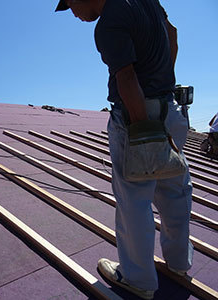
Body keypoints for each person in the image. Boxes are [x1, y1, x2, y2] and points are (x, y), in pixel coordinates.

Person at [55, 0, 193, 299]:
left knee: (134, 201)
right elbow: (171, 33)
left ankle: (138, 279)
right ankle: (180, 264)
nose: (74, 14)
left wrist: (145, 132)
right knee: (174, 191)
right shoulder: (147, 2)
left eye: (71, 5)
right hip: (170, 112)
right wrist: (161, 83)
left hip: (135, 117)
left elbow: (127, 77)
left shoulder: (108, 24)